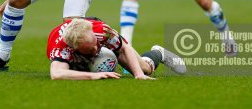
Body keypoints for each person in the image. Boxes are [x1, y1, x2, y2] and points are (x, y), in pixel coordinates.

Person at [47, 17, 186, 80]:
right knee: (77, 71)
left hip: (94, 39)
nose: (96, 49)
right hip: (74, 56)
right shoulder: (62, 48)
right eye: (90, 50)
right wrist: (94, 76)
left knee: (145, 69)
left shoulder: (102, 31)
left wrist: (138, 75)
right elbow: (57, 74)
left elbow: (125, 48)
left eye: (96, 43)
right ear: (74, 48)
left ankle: (158, 53)